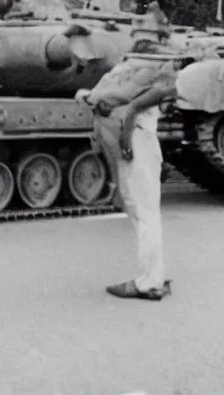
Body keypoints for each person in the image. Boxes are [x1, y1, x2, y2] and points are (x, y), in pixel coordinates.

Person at [78, 67, 177, 301]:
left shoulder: (161, 80)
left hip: (137, 142)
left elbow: (132, 109)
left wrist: (124, 142)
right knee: (144, 213)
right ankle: (155, 276)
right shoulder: (157, 77)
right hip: (142, 141)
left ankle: (150, 283)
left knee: (143, 214)